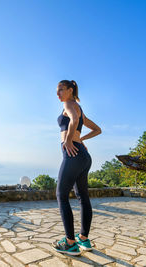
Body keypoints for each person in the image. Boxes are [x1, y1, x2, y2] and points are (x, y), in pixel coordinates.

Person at [52, 80, 102, 256]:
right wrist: (81, 139)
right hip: (83, 156)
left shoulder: (69, 103)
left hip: (72, 154)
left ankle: (70, 242)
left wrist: (68, 140)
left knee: (61, 195)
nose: (58, 93)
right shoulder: (79, 108)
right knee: (83, 197)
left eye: (61, 90)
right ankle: (83, 238)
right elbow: (97, 130)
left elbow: (73, 120)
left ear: (70, 90)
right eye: (56, 91)